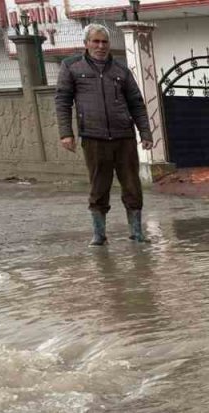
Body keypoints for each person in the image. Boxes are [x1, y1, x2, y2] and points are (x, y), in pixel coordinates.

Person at [55, 24, 154, 246]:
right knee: (99, 186)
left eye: (104, 42)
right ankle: (99, 235)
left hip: (124, 137)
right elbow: (62, 101)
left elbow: (137, 103)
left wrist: (145, 132)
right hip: (93, 137)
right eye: (96, 41)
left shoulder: (121, 70)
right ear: (86, 43)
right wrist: (66, 133)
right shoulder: (71, 66)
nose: (100, 46)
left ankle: (137, 232)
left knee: (132, 186)